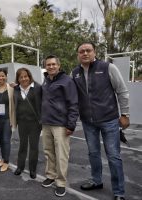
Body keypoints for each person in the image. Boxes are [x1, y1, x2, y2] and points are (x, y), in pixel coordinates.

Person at [72, 42, 130, 200]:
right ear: (78, 54)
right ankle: (96, 180)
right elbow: (71, 95)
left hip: (109, 120)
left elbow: (122, 91)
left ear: (94, 52)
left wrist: (124, 114)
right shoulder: (75, 72)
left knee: (113, 155)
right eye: (81, 51)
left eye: (88, 50)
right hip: (88, 121)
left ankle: (119, 192)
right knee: (93, 153)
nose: (85, 53)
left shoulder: (107, 68)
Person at [40, 55, 79, 197]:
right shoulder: (46, 81)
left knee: (61, 155)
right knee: (48, 151)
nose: (50, 67)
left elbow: (73, 103)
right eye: (48, 65)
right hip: (46, 123)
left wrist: (71, 124)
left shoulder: (67, 81)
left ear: (59, 65)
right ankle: (50, 175)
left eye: (53, 64)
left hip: (61, 125)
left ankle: (61, 182)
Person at [13, 67, 42, 179]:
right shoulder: (16, 89)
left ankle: (32, 169)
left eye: (26, 76)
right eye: (21, 77)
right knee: (22, 145)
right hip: (22, 122)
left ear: (29, 77)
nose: (24, 79)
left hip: (35, 123)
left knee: (34, 147)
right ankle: (20, 167)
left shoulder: (38, 87)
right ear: (18, 79)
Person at [0, 69, 16, 172]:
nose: (1, 78)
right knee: (0, 139)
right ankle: (3, 158)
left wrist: (16, 86)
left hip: (7, 119)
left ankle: (6, 162)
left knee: (6, 140)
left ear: (6, 76)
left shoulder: (11, 89)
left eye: (3, 76)